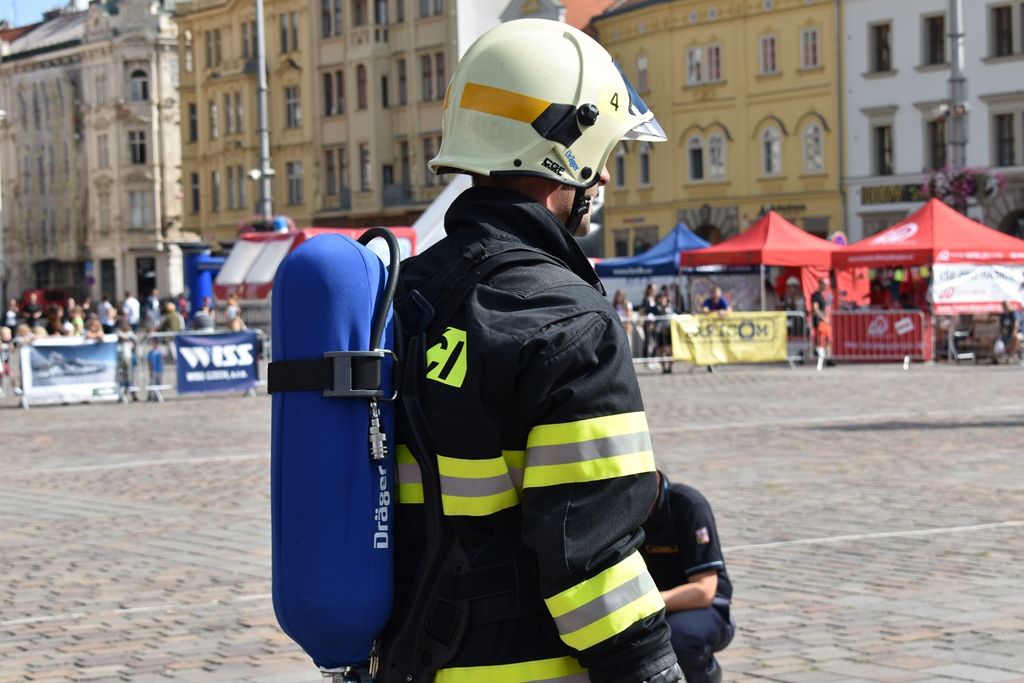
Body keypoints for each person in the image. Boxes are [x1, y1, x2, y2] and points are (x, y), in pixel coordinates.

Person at [389, 19, 681, 683]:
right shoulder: (566, 320)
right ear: (566, 151)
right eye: (601, 151)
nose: (604, 172)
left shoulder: (404, 295)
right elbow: (591, 556)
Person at [640, 471, 734, 683]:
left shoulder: (689, 505)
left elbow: (704, 591)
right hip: (652, 609)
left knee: (679, 637)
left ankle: (706, 675)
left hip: (704, 609)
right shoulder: (622, 510)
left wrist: (645, 604)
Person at [811, 278, 833, 367]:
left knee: (828, 340)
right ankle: (820, 361)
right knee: (821, 341)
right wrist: (824, 318)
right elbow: (815, 309)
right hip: (820, 322)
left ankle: (828, 358)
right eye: (824, 284)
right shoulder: (815, 295)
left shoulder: (822, 295)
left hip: (824, 322)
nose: (825, 287)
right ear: (820, 284)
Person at [652, 290, 675, 373]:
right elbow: (648, 314)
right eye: (660, 298)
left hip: (669, 331)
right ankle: (663, 368)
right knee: (661, 350)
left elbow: (678, 313)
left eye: (663, 298)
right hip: (660, 332)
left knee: (670, 350)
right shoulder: (655, 308)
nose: (662, 300)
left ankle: (670, 367)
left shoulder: (671, 307)